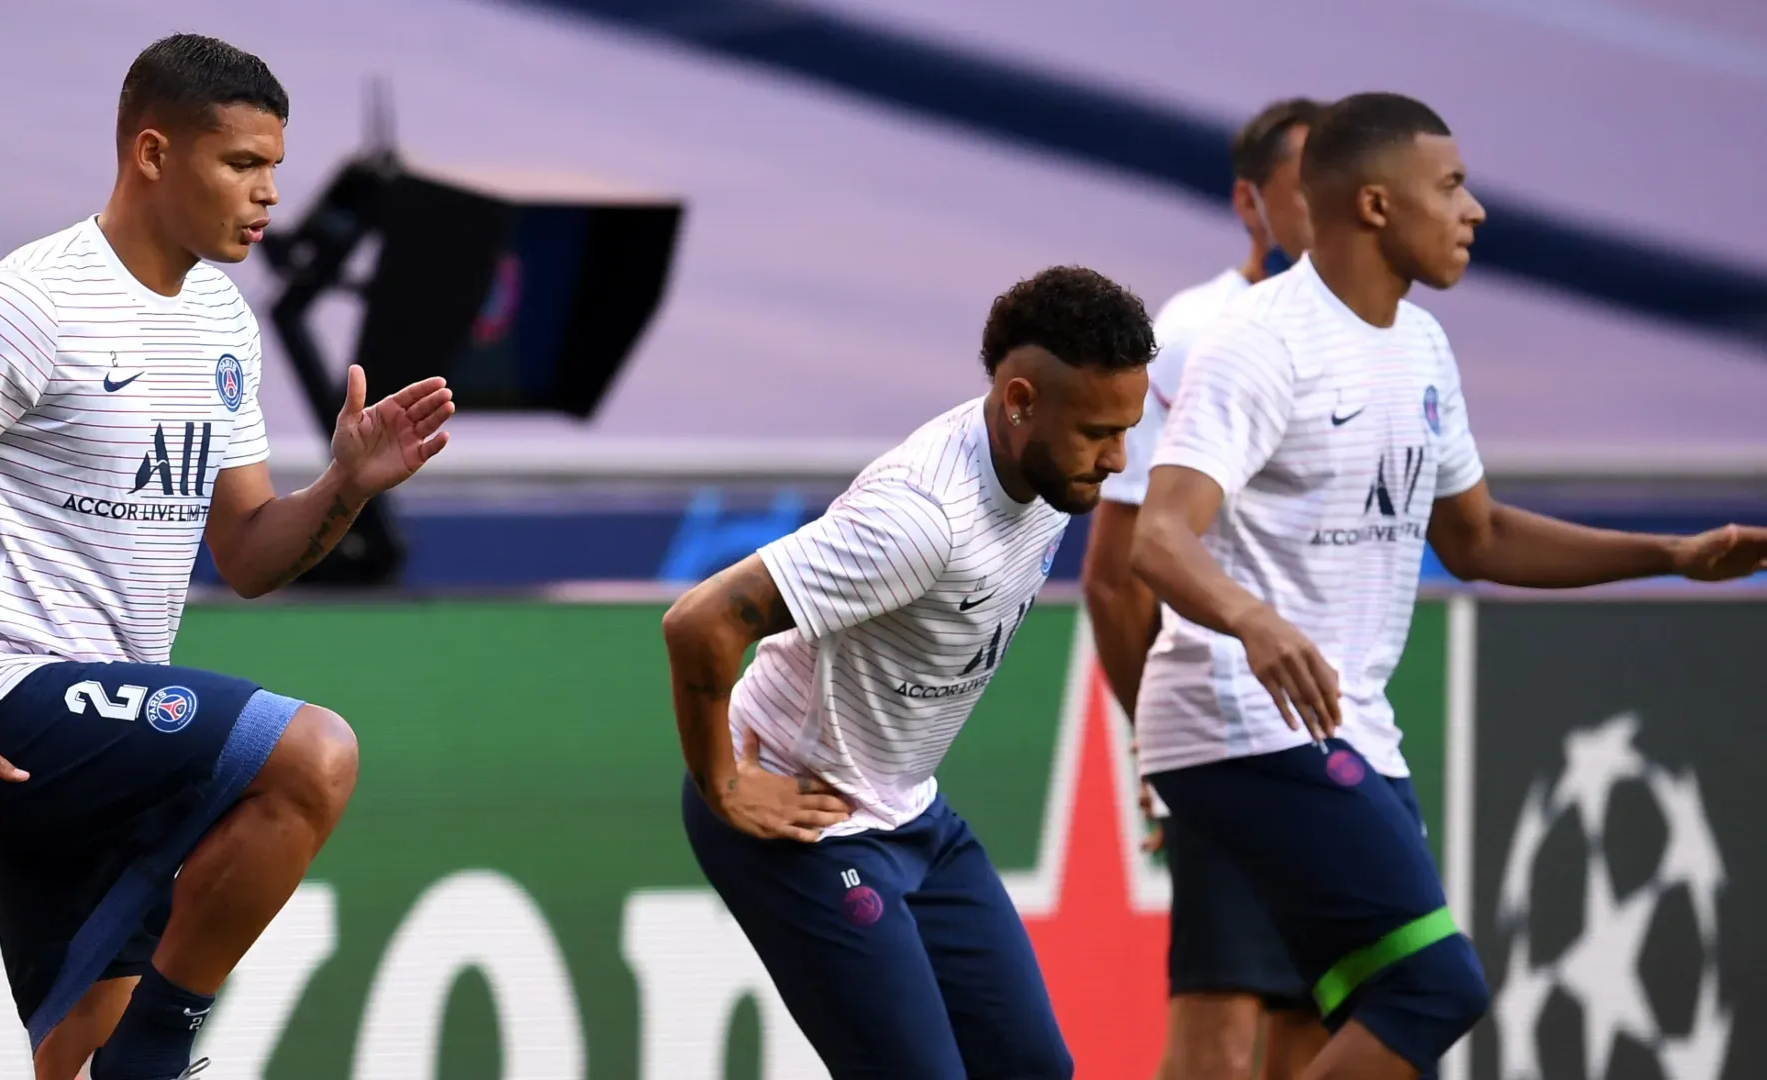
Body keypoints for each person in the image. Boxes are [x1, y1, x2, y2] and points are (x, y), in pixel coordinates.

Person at [0, 34, 455, 1080]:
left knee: (72, 1062)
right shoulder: (25, 303)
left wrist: (345, 488)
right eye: (240, 165)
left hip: (107, 718)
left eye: (275, 168)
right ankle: (158, 1057)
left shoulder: (222, 321)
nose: (267, 196)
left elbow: (251, 554)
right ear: (152, 153)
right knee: (313, 754)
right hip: (2, 695)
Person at [1128, 91, 1767, 1080]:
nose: (1475, 211)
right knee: (1434, 986)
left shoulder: (1421, 348)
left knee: (1355, 1012)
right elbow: (1158, 540)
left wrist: (1670, 557)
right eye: (1454, 186)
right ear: (1377, 206)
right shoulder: (1260, 339)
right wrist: (1255, 622)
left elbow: (1478, 538)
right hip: (1240, 719)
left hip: (1346, 723)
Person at [661, 266, 1155, 1077]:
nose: (1116, 457)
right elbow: (701, 622)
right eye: (1099, 431)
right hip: (805, 815)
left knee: (1034, 1068)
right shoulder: (921, 523)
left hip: (912, 813)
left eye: (1126, 429)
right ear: (1021, 399)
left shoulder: (1044, 464)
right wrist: (722, 784)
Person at [1081, 95, 1330, 1080]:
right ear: (1249, 202)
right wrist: (1170, 747)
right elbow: (1112, 577)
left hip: (1343, 742)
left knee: (1323, 1023)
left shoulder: (1390, 334)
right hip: (1226, 736)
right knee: (1222, 1025)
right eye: (1304, 179)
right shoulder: (1194, 333)